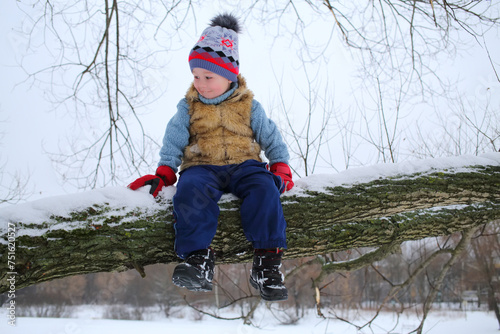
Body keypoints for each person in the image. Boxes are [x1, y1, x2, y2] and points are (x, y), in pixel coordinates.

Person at [128, 13, 294, 302]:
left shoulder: (249, 105)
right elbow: (173, 140)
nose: (200, 83)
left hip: (246, 164)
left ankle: (267, 262)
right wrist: (165, 171)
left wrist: (281, 167)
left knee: (265, 189)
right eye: (195, 76)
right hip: (201, 166)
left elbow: (271, 137)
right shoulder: (188, 107)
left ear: (229, 75)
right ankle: (198, 260)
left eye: (208, 77)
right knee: (190, 192)